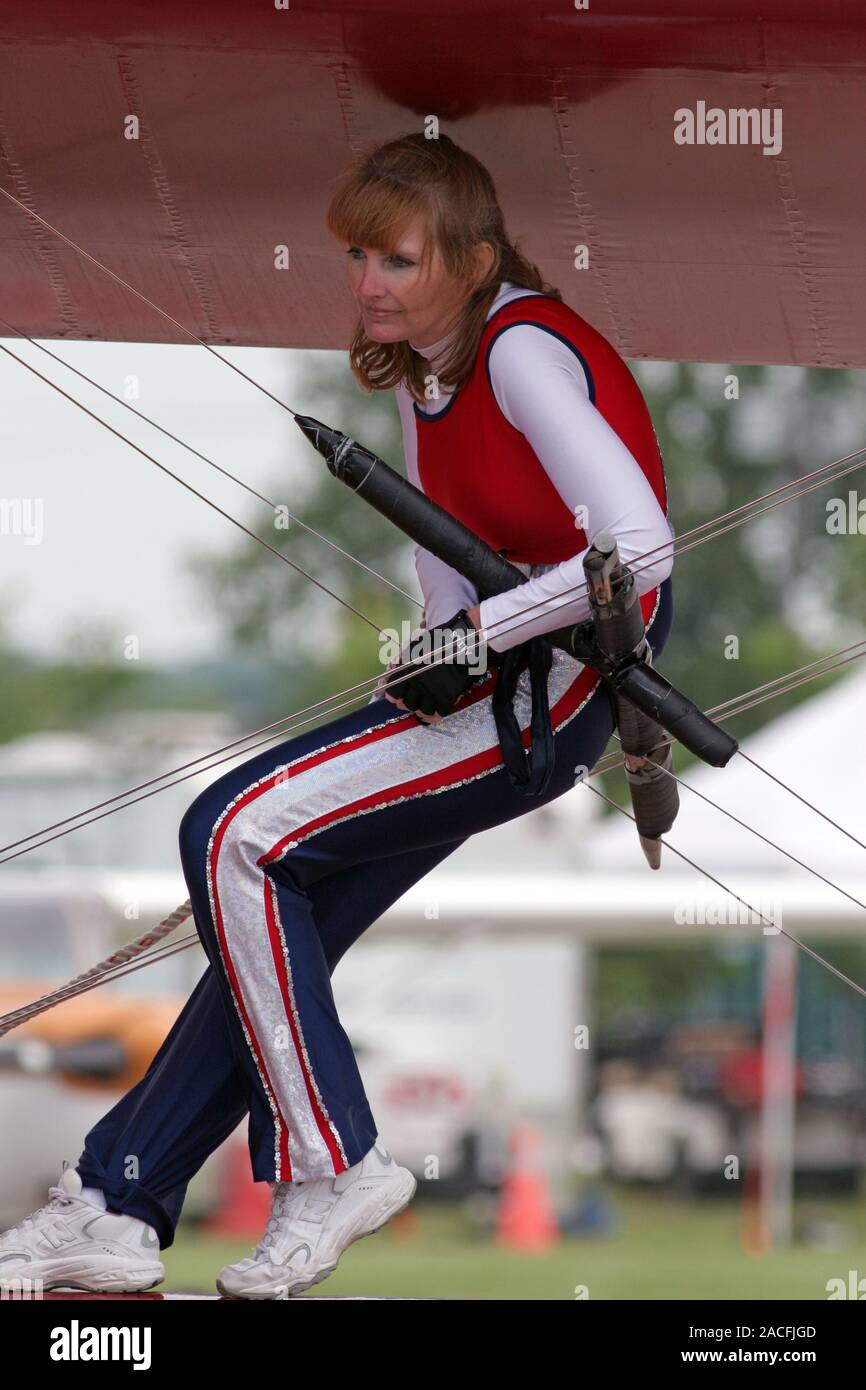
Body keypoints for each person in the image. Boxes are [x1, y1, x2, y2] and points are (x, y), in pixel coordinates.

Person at [0, 132, 674, 1299]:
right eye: (356, 256)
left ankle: (332, 1162)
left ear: (470, 259)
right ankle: (118, 1199)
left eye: (397, 260)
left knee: (228, 832)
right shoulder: (422, 366)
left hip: (563, 686)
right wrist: (439, 646)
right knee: (265, 909)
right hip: (505, 677)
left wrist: (483, 641)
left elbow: (642, 549)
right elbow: (453, 574)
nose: (367, 282)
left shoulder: (516, 351)